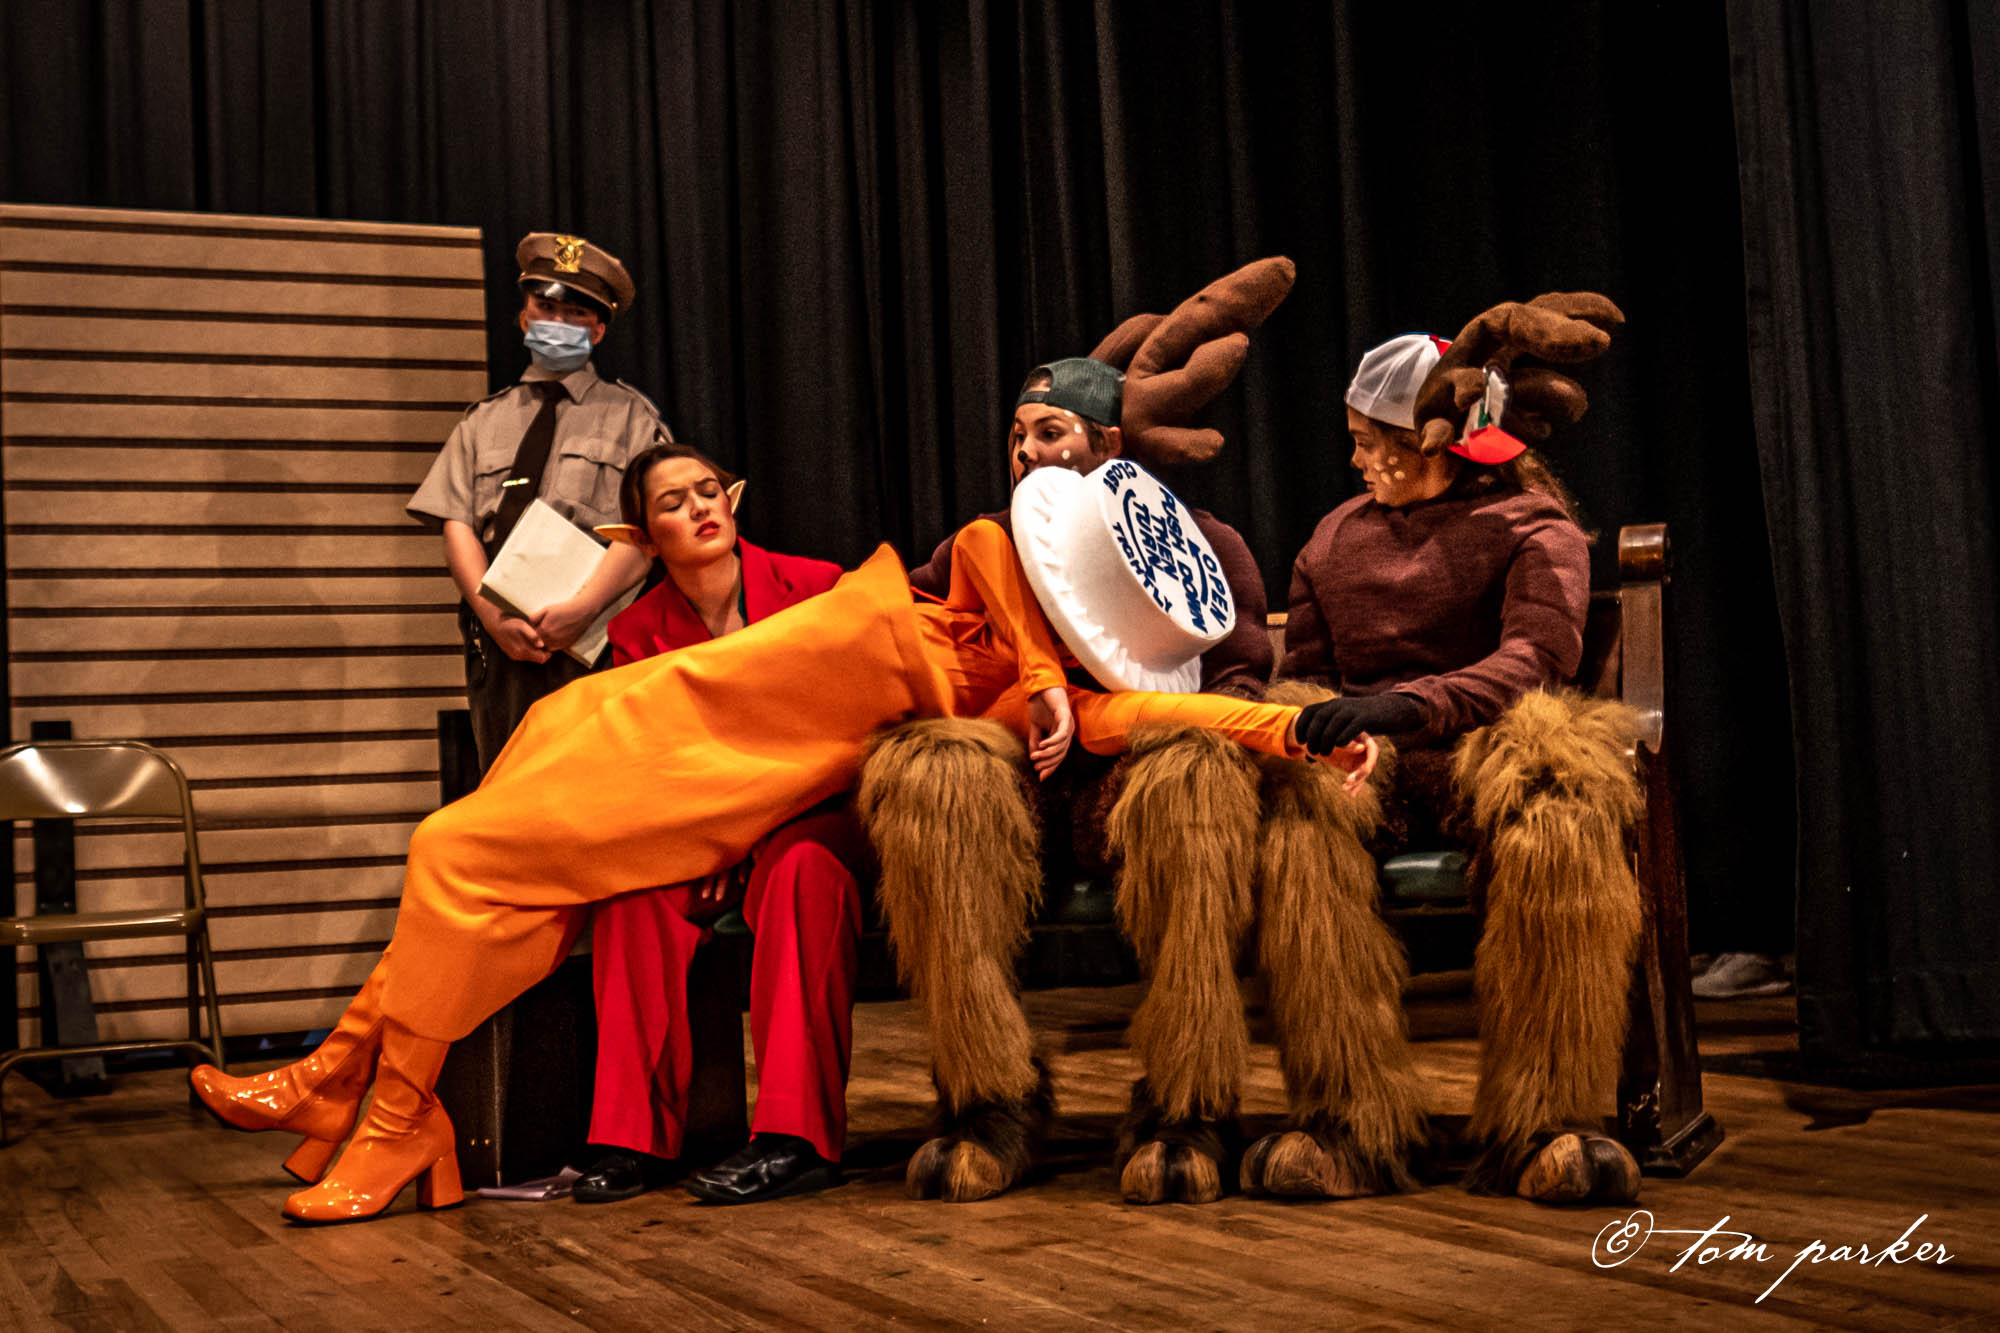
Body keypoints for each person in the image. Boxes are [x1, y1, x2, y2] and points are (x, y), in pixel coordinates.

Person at [186, 450, 1367, 1223]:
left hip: (721, 769)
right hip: (651, 712)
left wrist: (1299, 732)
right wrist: (1045, 666)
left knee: (460, 852)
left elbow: (1177, 714)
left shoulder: (1037, 703)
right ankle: (359, 1088)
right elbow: (985, 534)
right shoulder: (981, 597)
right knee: (492, 840)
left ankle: (376, 1099)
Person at [1271, 295, 1650, 1206]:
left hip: (1484, 738)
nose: (1357, 459)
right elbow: (1308, 674)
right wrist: (1328, 723)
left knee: (1559, 805)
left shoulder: (1531, 524)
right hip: (1374, 751)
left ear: (1434, 438)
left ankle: (1546, 1118)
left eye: (1371, 440)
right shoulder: (1333, 539)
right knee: (1295, 813)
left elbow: (1535, 661)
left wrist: (1409, 704)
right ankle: (1348, 1119)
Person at [571, 442, 864, 1206]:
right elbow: (656, 765)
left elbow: (856, 724)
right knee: (633, 899)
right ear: (644, 539)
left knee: (798, 871)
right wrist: (712, 838)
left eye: (708, 491)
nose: (700, 507)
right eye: (673, 503)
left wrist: (749, 829)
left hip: (822, 814)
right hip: (711, 833)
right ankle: (632, 1139)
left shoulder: (815, 586)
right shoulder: (636, 632)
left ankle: (797, 1139)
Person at [407, 231, 667, 768]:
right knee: (507, 784)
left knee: (593, 783)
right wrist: (492, 616)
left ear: (598, 329)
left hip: (593, 641)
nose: (557, 323)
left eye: (575, 314)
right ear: (524, 318)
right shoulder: (482, 421)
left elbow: (645, 532)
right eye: (546, 308)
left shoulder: (632, 418)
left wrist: (583, 610)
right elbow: (456, 525)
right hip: (500, 643)